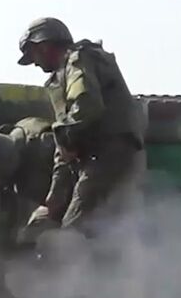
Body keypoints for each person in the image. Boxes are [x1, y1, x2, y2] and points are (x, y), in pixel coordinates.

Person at [15, 17, 145, 241]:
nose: (35, 63)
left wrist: (67, 138)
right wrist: (53, 200)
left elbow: (86, 106)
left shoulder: (78, 60)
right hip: (97, 159)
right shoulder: (62, 78)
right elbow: (65, 146)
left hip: (107, 155)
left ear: (44, 45)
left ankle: (73, 274)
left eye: (34, 54)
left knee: (72, 232)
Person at [0, 116, 63, 248]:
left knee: (58, 240)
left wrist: (58, 203)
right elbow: (4, 215)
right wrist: (7, 253)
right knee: (29, 238)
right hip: (56, 204)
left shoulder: (43, 145)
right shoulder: (0, 163)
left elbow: (70, 172)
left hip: (83, 192)